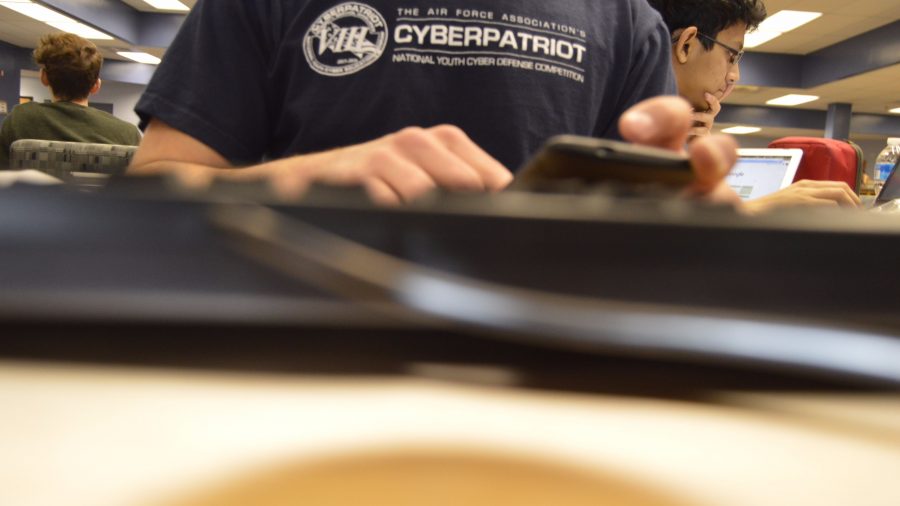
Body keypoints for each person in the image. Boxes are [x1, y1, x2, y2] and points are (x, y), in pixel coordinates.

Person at [129, 0, 740, 205]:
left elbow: (640, 237)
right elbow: (151, 189)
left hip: (537, 363)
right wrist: (308, 178)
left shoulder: (629, 19)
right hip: (301, 337)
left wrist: (679, 214)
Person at [649, 0, 860, 212]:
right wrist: (759, 208)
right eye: (732, 56)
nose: (735, 76)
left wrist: (694, 156)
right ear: (687, 45)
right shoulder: (628, 114)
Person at [0, 33, 142, 169]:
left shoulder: (19, 120)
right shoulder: (128, 134)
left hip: (32, 195)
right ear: (96, 85)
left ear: (44, 77)